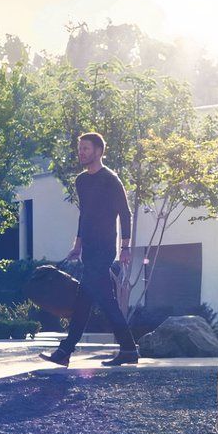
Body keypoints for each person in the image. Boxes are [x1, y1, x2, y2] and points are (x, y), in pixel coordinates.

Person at [40, 132, 139, 367]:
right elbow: (84, 214)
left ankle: (66, 350)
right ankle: (127, 349)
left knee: (92, 300)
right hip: (89, 250)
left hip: (105, 249)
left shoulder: (111, 180)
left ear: (98, 151)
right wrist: (78, 244)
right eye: (80, 148)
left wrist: (125, 247)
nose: (81, 152)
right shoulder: (81, 181)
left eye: (85, 148)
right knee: (93, 301)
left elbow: (125, 214)